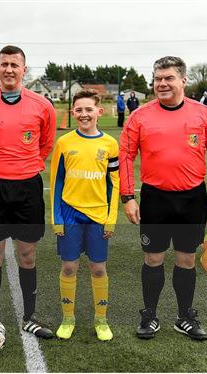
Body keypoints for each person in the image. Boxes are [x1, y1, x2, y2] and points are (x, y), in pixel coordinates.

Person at [119, 56, 207, 341]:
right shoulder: (139, 116)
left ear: (183, 80)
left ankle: (184, 317)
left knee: (187, 260)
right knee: (153, 259)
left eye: (168, 78)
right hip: (155, 199)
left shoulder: (204, 114)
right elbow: (126, 156)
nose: (162, 84)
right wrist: (128, 197)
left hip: (192, 199)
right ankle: (150, 315)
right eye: (157, 79)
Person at [0, 45, 56, 338]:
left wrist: (25, 166)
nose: (9, 69)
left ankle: (29, 316)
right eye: (4, 64)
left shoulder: (42, 105)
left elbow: (45, 144)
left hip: (28, 188)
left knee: (27, 254)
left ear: (24, 69)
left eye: (14, 65)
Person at [50, 89, 119, 341]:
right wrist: (56, 218)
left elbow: (114, 183)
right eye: (79, 110)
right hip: (69, 213)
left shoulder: (110, 144)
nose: (84, 114)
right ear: (72, 113)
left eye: (89, 109)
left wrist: (111, 217)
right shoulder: (64, 143)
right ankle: (68, 318)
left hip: (99, 215)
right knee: (69, 267)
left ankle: (101, 320)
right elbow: (56, 182)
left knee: (98, 268)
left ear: (99, 112)